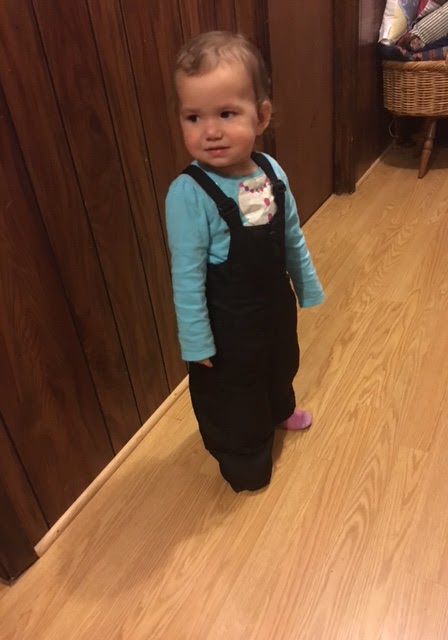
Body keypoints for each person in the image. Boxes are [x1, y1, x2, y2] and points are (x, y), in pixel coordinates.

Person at [166, 31, 325, 493]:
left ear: (262, 116)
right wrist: (196, 343)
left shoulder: (271, 171)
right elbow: (186, 277)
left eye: (226, 113)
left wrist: (307, 286)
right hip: (227, 327)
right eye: (193, 117)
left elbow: (290, 235)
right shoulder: (188, 194)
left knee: (280, 361)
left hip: (274, 305)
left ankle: (278, 411)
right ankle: (246, 455)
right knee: (234, 393)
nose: (210, 131)